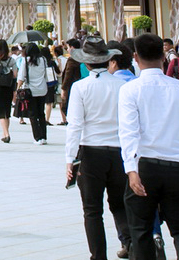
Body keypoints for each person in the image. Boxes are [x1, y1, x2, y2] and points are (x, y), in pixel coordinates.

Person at [118, 32, 179, 260]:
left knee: (141, 231)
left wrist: (131, 170)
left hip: (145, 166)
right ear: (163, 55)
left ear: (135, 57)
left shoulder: (130, 90)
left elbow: (128, 133)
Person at [65, 36, 130, 260]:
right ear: (108, 60)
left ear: (87, 63)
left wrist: (69, 158)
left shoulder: (80, 87)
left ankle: (98, 256)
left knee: (92, 210)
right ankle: (130, 244)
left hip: (91, 150)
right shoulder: (122, 85)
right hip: (119, 151)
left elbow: (75, 125)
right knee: (120, 204)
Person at [17, 42, 49, 145]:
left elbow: (21, 77)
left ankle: (37, 137)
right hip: (42, 89)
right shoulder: (43, 60)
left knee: (32, 114)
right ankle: (44, 136)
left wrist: (17, 88)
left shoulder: (25, 61)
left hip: (30, 90)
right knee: (41, 113)